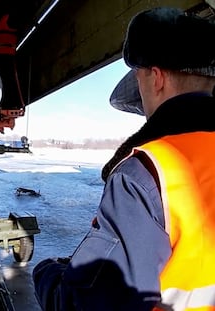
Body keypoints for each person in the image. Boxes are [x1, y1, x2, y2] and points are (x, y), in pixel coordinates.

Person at [33, 7, 215, 311]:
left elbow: (88, 305)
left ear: (156, 79)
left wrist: (47, 274)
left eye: (139, 78)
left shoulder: (148, 172)